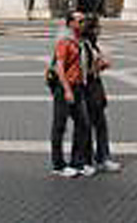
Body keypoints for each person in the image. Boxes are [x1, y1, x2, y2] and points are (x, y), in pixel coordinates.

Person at [48, 11, 93, 177]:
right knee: (59, 126)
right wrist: (67, 89)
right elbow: (60, 67)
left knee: (83, 124)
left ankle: (77, 162)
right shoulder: (64, 42)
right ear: (70, 23)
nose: (84, 24)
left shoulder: (79, 41)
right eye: (80, 21)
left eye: (84, 20)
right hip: (65, 87)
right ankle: (58, 165)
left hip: (78, 87)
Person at [81, 14, 121, 173]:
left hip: (96, 88)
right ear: (92, 29)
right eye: (98, 27)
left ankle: (102, 157)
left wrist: (100, 64)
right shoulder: (83, 46)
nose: (100, 30)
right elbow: (83, 70)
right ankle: (87, 160)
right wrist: (100, 65)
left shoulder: (93, 45)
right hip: (87, 89)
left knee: (100, 125)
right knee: (88, 126)